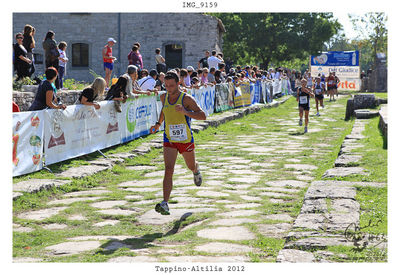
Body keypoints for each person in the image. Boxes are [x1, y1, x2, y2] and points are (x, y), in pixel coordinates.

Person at [149, 70, 206, 215]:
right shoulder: (164, 97)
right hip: (169, 138)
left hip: (185, 139)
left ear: (178, 84)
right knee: (168, 169)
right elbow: (164, 111)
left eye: (171, 85)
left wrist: (186, 112)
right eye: (166, 85)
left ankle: (196, 170)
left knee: (190, 165)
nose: (168, 88)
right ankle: (165, 203)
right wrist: (157, 124)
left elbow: (202, 116)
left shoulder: (186, 99)